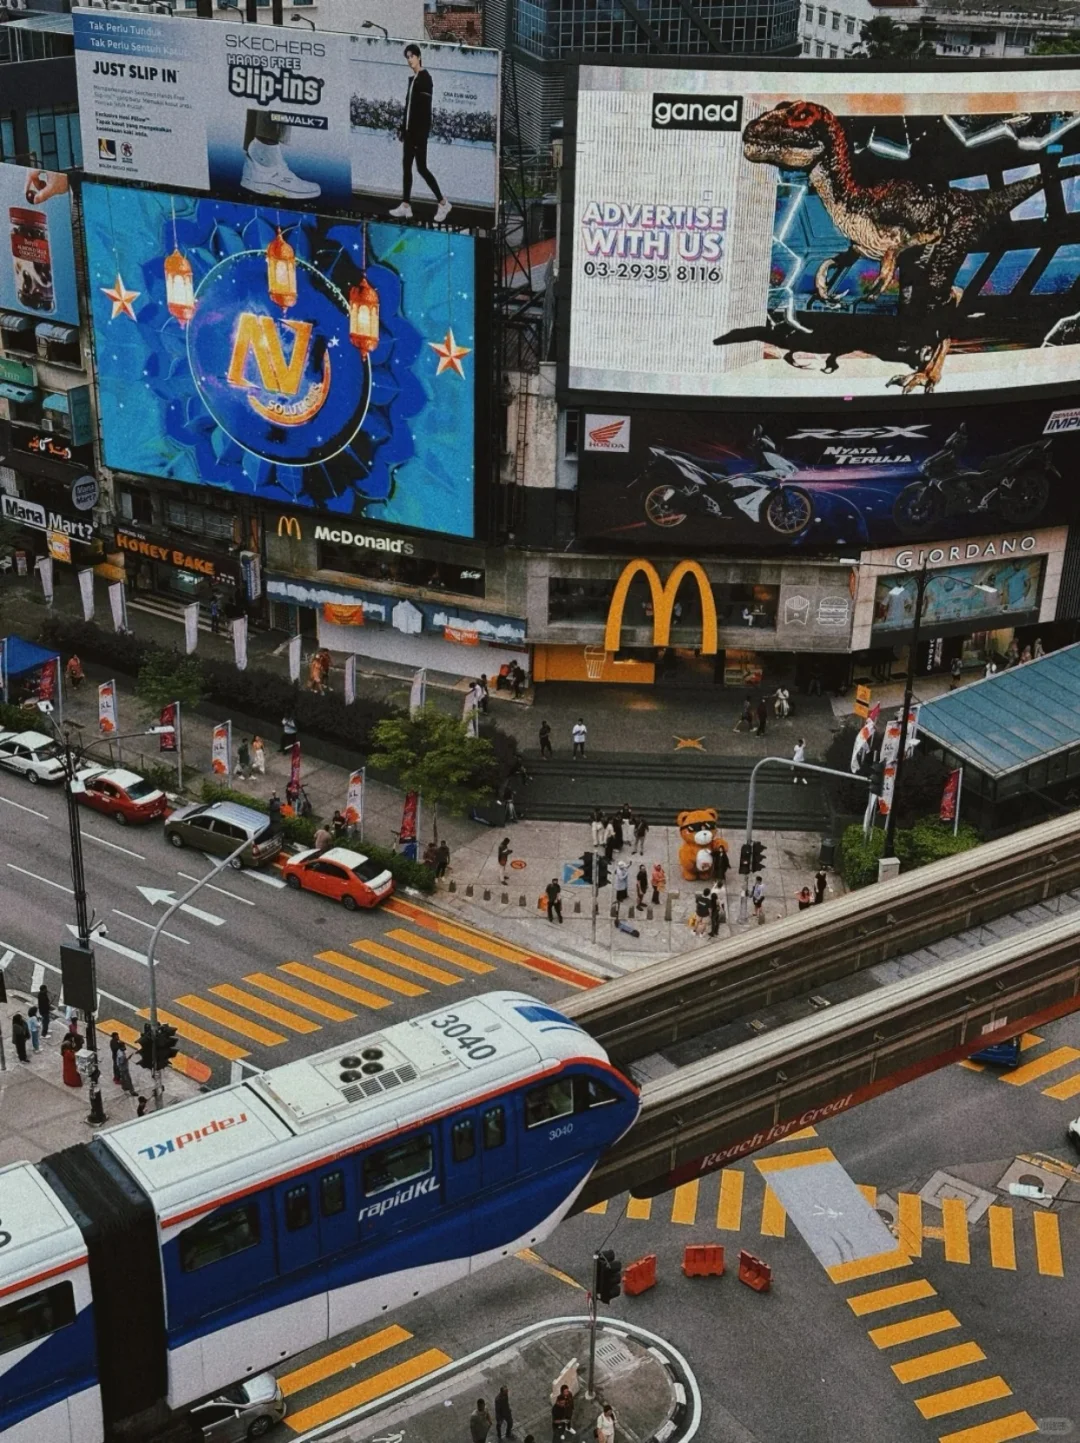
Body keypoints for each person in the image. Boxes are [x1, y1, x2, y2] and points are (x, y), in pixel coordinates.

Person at [390, 44, 452, 225]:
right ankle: (405, 204)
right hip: (410, 133)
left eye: (411, 56)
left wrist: (418, 134)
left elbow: (424, 111)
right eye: (407, 57)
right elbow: (409, 108)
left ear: (418, 57)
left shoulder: (425, 79)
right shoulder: (414, 79)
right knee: (406, 166)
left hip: (418, 133)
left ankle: (443, 203)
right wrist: (403, 128)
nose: (409, 60)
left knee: (422, 168)